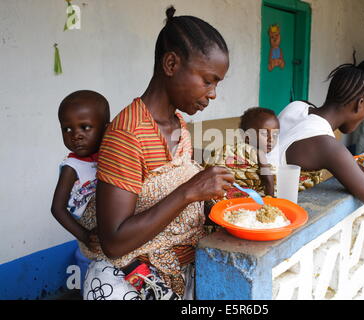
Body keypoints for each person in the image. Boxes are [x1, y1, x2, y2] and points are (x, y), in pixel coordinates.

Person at [77, 6, 234, 300]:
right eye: (208, 80)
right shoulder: (127, 134)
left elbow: (173, 197)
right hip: (126, 283)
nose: (213, 93)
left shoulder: (179, 125)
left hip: (174, 275)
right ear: (171, 64)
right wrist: (190, 191)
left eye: (217, 83)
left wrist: (210, 199)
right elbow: (114, 241)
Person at [268, 60, 364, 232]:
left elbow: (351, 168)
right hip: (269, 215)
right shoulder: (326, 145)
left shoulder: (297, 106)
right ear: (360, 104)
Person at [51, 90, 110, 254]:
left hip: (112, 223)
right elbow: (57, 208)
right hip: (92, 232)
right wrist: (84, 235)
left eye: (85, 127)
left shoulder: (110, 157)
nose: (76, 135)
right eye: (67, 129)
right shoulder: (72, 166)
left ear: (106, 129)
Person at [206, 107, 279, 198]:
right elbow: (268, 179)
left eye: (275, 134)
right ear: (248, 137)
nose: (271, 139)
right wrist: (271, 200)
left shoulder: (243, 152)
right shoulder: (256, 151)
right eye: (264, 134)